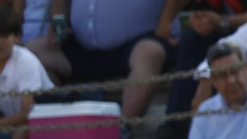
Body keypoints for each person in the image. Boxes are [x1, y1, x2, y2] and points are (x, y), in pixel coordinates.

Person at [24, 0, 172, 128]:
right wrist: (58, 20)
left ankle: (122, 129)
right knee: (32, 53)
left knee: (149, 52)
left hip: (137, 42)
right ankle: (56, 121)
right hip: (81, 45)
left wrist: (166, 20)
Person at [157, 0, 247, 139]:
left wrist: (225, 21)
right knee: (191, 39)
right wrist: (168, 21)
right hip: (224, 30)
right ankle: (176, 124)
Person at [0, 7, 50, 139]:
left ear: (17, 37)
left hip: (46, 124)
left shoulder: (25, 61)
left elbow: (29, 113)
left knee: (20, 136)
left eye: (5, 35)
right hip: (12, 123)